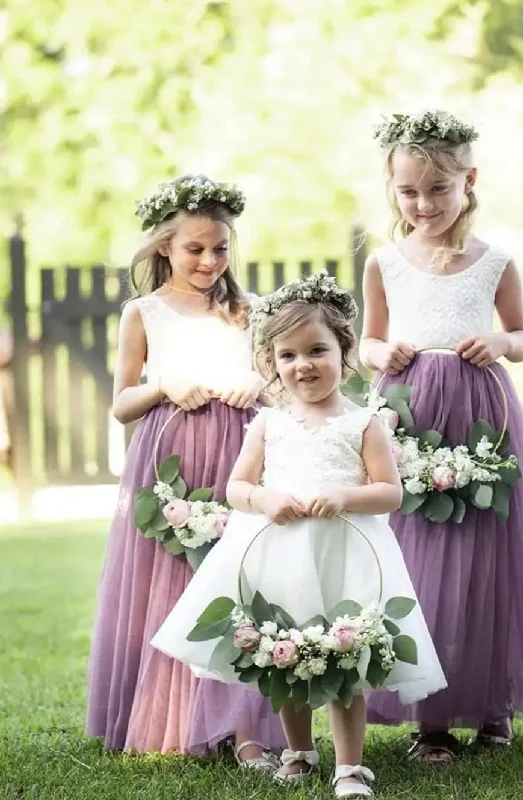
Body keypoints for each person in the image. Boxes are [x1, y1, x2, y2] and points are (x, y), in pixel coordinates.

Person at [151, 274, 447, 798]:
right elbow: (237, 486)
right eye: (288, 356)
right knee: (283, 651)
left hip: (345, 552)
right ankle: (298, 750)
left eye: (317, 350)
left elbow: (390, 493)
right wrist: (263, 499)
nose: (303, 365)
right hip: (279, 550)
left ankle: (351, 767)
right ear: (272, 363)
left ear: (344, 351)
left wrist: (343, 496)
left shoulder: (364, 423)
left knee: (344, 654)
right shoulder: (268, 422)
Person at [361, 110, 523, 763]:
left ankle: (492, 707)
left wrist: (497, 340)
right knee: (416, 562)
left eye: (438, 188)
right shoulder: (383, 262)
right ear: (391, 188)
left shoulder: (494, 261)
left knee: (485, 564)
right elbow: (365, 342)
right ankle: (425, 718)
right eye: (408, 191)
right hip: (406, 413)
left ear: (469, 181)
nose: (423, 203)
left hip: (478, 415)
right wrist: (383, 352)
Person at [86, 174, 284, 767]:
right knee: (169, 584)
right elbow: (121, 402)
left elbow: (285, 385)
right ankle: (172, 719)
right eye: (194, 248)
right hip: (169, 458)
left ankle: (246, 728)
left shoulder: (249, 312)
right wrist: (161, 385)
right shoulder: (143, 313)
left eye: (219, 248)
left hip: (238, 455)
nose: (208, 260)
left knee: (241, 581)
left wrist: (259, 382)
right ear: (164, 249)